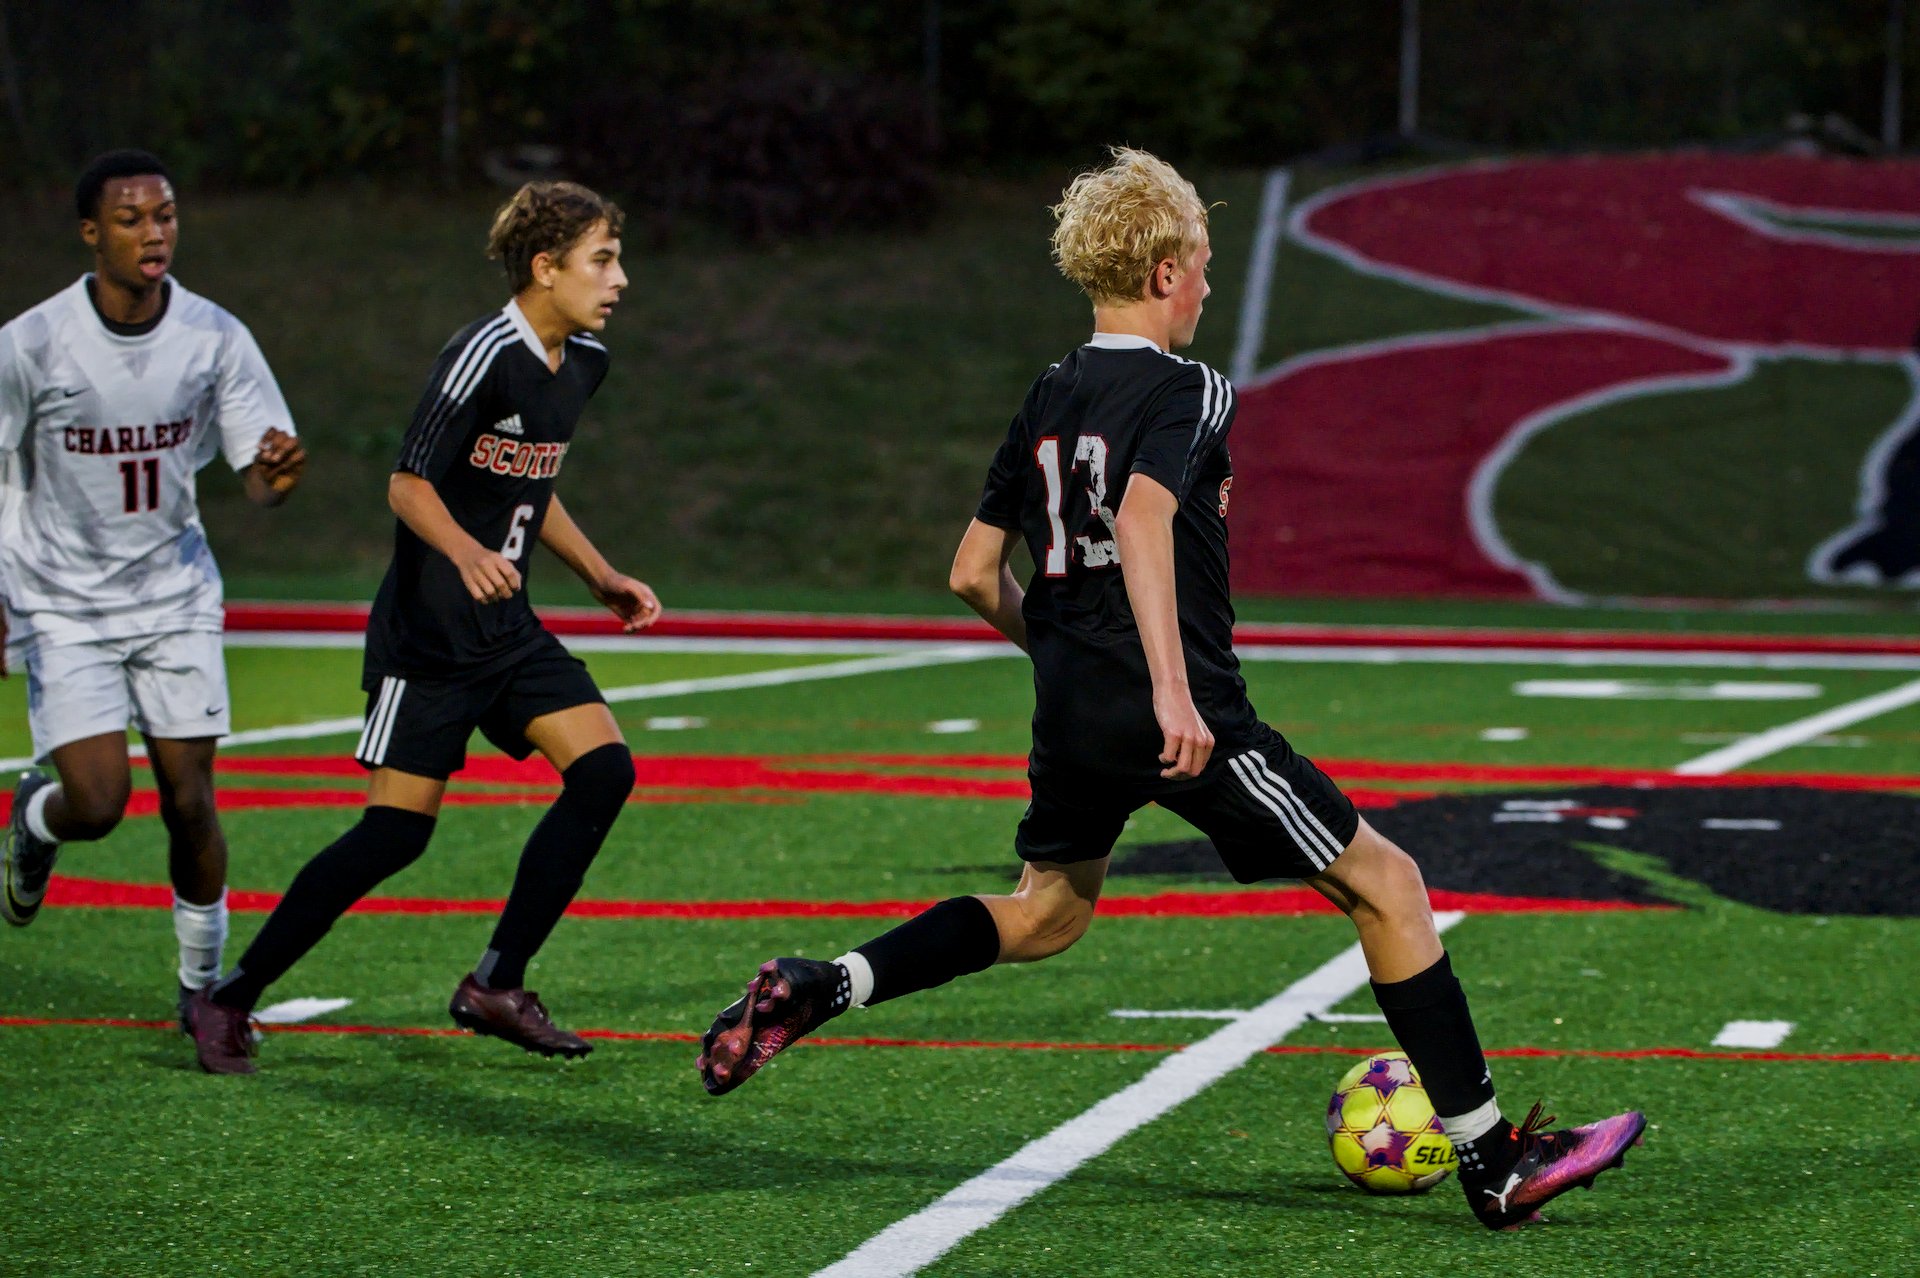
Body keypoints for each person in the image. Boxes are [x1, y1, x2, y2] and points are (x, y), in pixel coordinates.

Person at [695, 148, 1644, 1231]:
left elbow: (970, 572)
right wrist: (1170, 691)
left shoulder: (1051, 390)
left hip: (1073, 712)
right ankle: (1495, 1161)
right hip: (1175, 711)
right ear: (1161, 272)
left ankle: (826, 984)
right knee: (1389, 884)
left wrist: (1066, 657)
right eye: (1202, 263)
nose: (1207, 284)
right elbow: (1142, 519)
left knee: (1044, 914)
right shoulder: (1191, 387)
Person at [187, 180, 659, 1075]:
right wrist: (466, 552)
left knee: (605, 771)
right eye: (602, 260)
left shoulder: (585, 361)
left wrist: (599, 575)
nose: (619, 278)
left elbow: (533, 483)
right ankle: (230, 996)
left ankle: (496, 984)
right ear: (545, 267)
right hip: (431, 639)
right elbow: (407, 485)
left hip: (507, 630)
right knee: (395, 835)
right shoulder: (481, 355)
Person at [0, 150, 306, 1028]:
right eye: (130, 219)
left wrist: (279, 476)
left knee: (190, 798)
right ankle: (39, 820)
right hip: (61, 600)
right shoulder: (31, 343)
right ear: (91, 234)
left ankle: (203, 991)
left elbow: (260, 476)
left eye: (165, 214)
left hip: (175, 594)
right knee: (99, 804)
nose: (153, 232)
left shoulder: (215, 336)